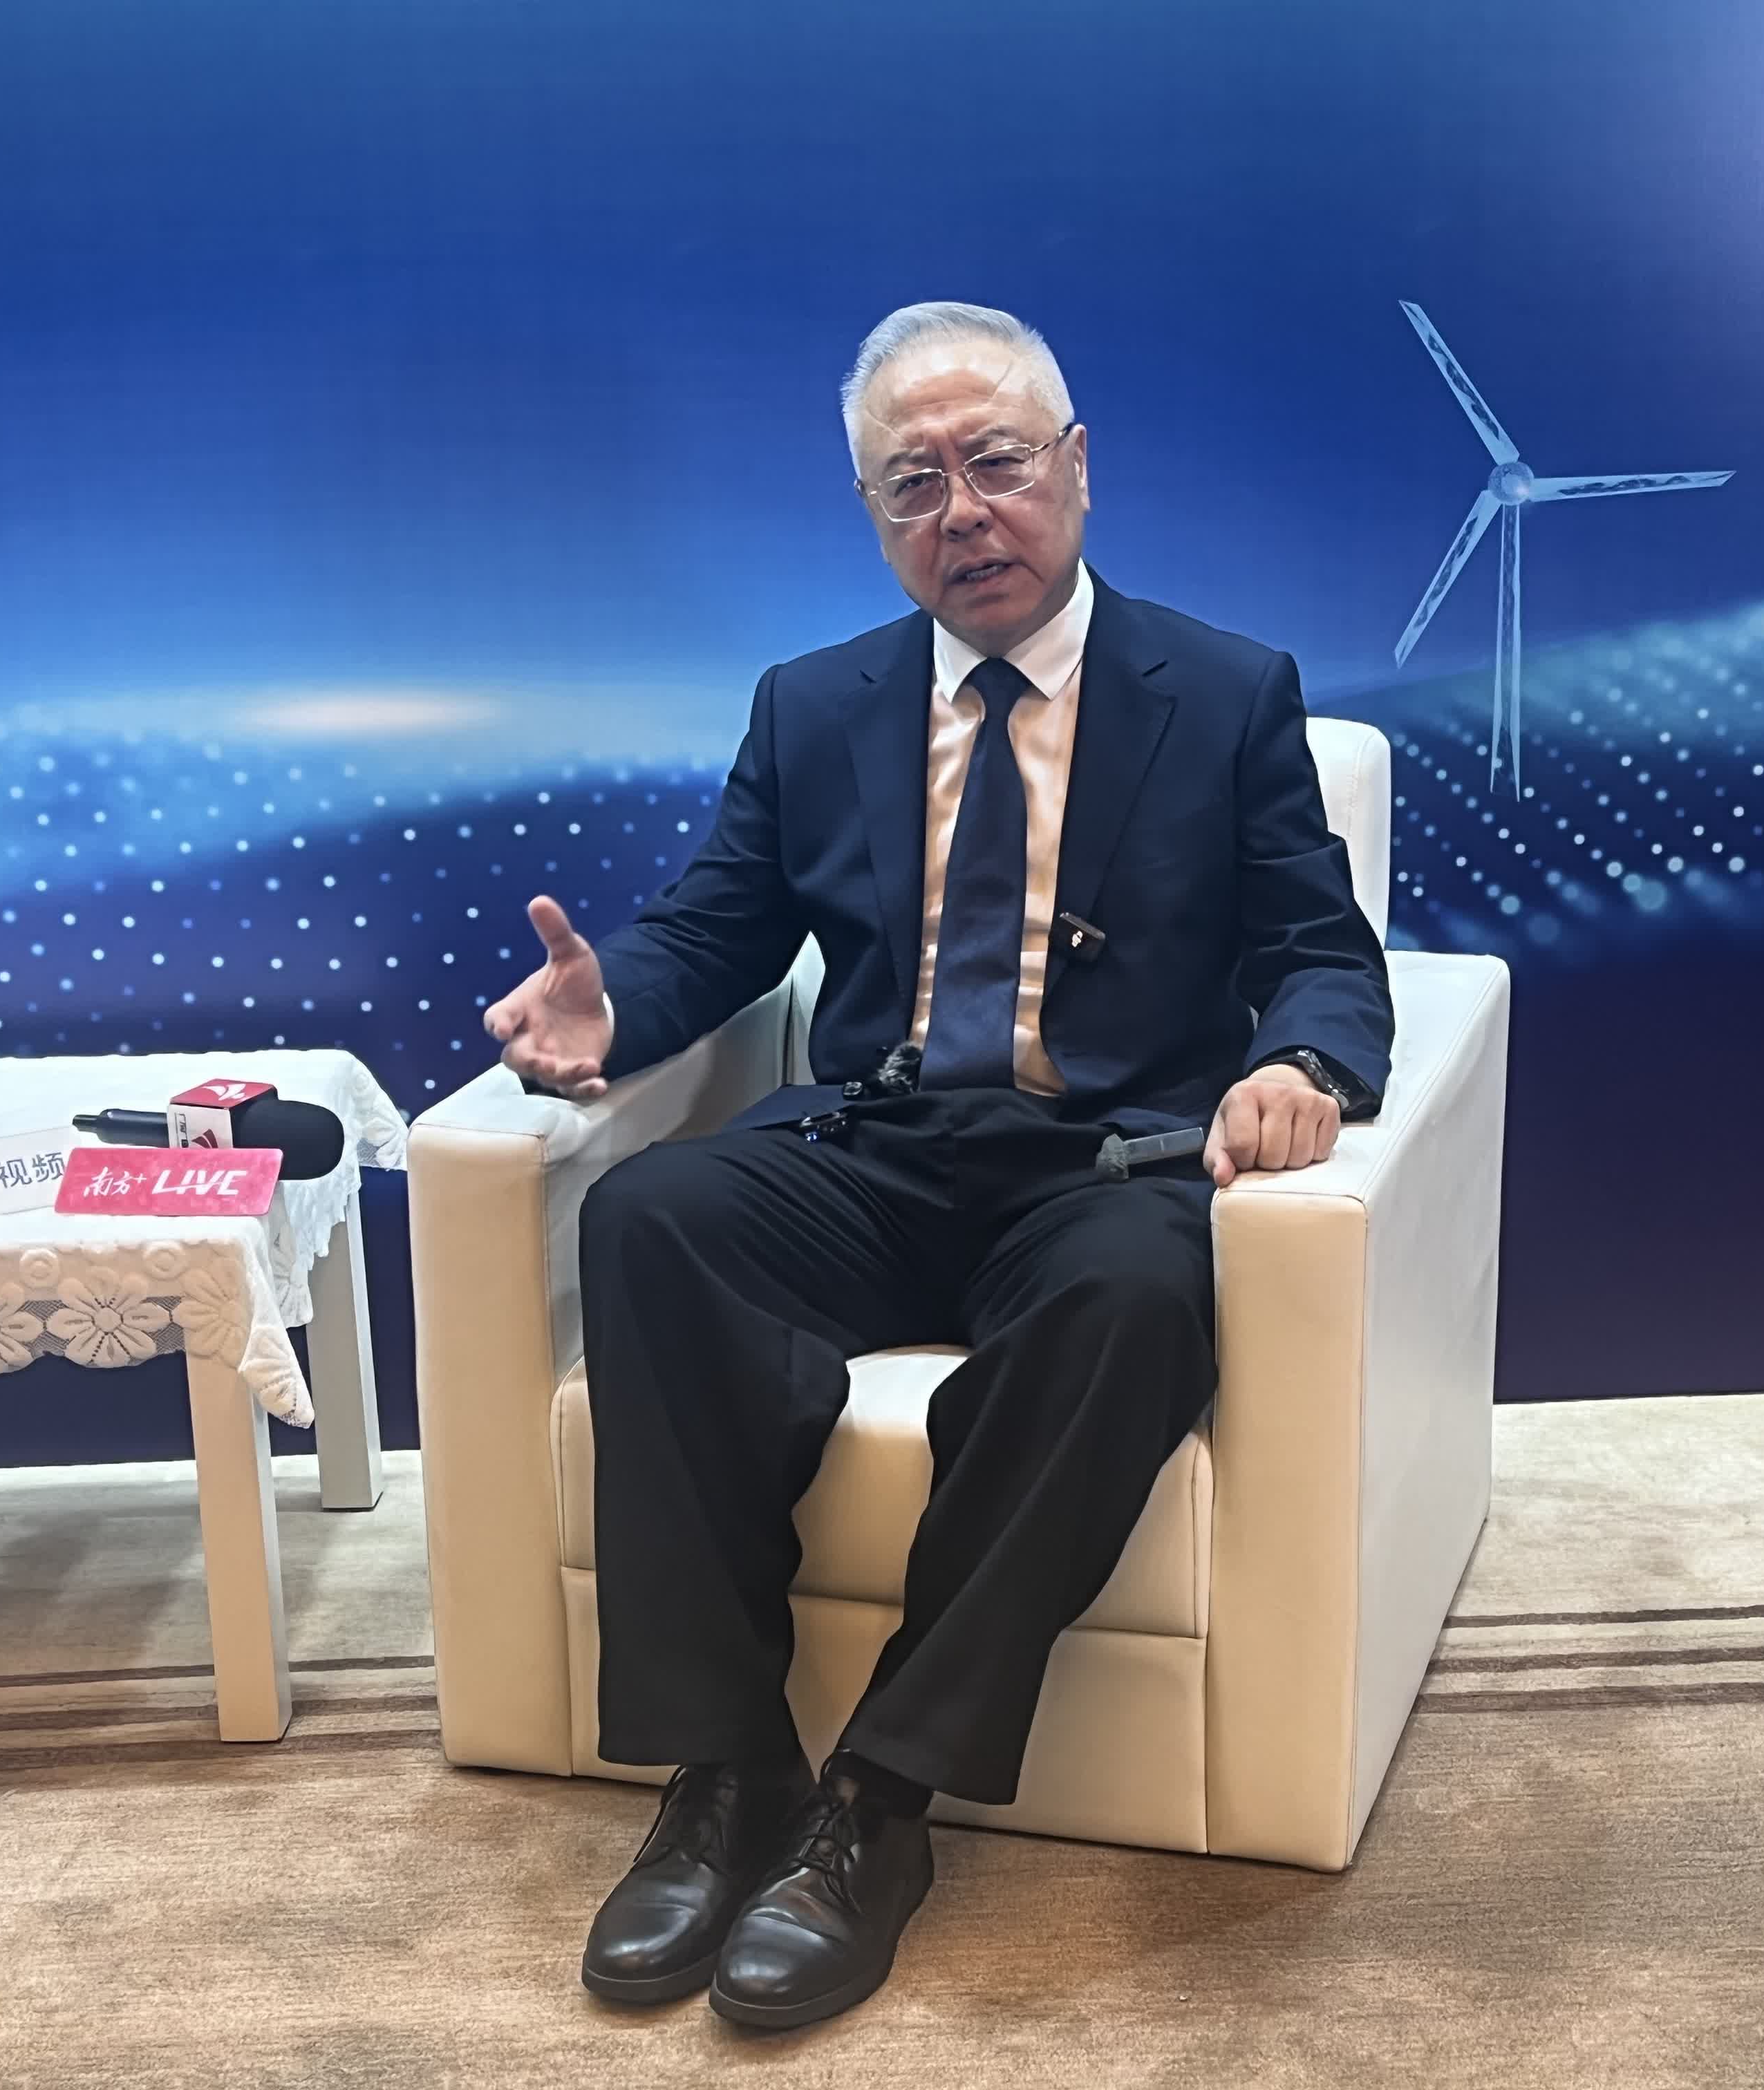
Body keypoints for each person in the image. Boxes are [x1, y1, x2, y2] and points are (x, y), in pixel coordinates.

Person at [484, 301, 1391, 2030]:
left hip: (1102, 1161)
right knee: (653, 1217)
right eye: (914, 483)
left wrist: (1302, 1063)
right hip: (878, 1143)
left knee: (1134, 1306)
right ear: (873, 514)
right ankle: (728, 1769)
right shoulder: (816, 704)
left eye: (997, 463)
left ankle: (879, 1802)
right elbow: (716, 928)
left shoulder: (1223, 693)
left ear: (1077, 470)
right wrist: (617, 1006)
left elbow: (1322, 953)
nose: (964, 511)